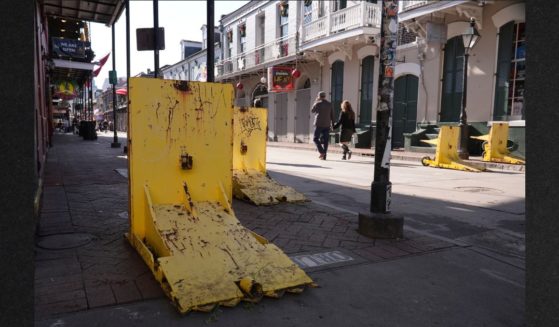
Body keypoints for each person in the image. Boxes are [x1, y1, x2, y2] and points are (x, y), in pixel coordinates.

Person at [311, 91, 334, 160]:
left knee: (315, 139)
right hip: (327, 124)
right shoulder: (329, 104)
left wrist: (315, 102)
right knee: (326, 140)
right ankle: (324, 156)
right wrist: (333, 124)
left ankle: (321, 152)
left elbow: (312, 110)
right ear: (325, 96)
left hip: (319, 124)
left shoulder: (317, 103)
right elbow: (332, 115)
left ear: (319, 96)